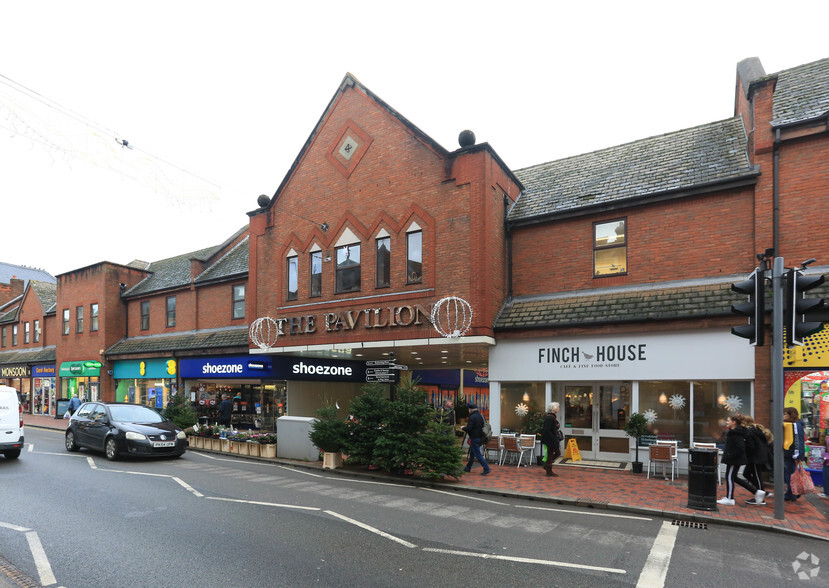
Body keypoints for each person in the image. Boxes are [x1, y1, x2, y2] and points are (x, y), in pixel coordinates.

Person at [717, 414, 766, 506]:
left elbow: (740, 447)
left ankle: (729, 498)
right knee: (733, 477)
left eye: (728, 420)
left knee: (729, 477)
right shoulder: (737, 432)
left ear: (734, 422)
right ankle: (756, 491)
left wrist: (731, 455)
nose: (726, 422)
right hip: (735, 459)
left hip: (734, 460)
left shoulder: (735, 433)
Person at [741, 415, 770, 503]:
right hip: (757, 456)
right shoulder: (756, 430)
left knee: (757, 476)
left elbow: (751, 446)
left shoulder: (750, 431)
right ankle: (761, 492)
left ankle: (761, 498)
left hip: (756, 457)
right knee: (746, 474)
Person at [783, 406, 806, 501]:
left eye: (785, 414)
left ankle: (792, 494)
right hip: (789, 453)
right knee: (789, 474)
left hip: (791, 454)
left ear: (790, 415)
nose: (783, 416)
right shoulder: (790, 424)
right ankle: (792, 493)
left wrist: (797, 454)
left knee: (790, 474)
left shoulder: (795, 425)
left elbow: (798, 441)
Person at [461, 403, 491, 475]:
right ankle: (468, 467)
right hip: (480, 437)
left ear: (470, 410)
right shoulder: (481, 416)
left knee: (477, 454)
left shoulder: (472, 417)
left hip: (474, 437)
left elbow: (469, 428)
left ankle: (486, 468)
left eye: (468, 409)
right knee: (472, 453)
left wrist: (463, 428)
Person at [541, 402, 562, 477]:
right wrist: (553, 438)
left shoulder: (552, 417)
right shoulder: (550, 418)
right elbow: (547, 430)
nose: (558, 409)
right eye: (557, 407)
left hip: (551, 439)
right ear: (554, 409)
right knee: (556, 453)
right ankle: (548, 468)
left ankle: (547, 466)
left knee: (552, 454)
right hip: (550, 440)